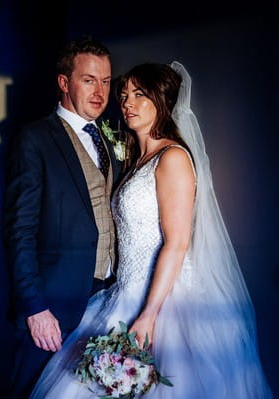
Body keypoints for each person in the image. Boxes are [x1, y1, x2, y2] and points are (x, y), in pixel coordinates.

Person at [29, 62, 273, 398]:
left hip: (163, 301)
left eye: (139, 95)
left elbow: (177, 243)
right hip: (122, 293)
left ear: (162, 100)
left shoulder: (172, 158)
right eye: (125, 95)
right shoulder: (134, 160)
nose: (127, 103)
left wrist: (149, 314)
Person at [2, 37, 122, 399]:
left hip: (108, 296)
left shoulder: (110, 135)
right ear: (64, 82)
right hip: (53, 305)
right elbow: (18, 231)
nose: (100, 92)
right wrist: (36, 308)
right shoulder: (34, 139)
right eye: (89, 80)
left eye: (106, 81)